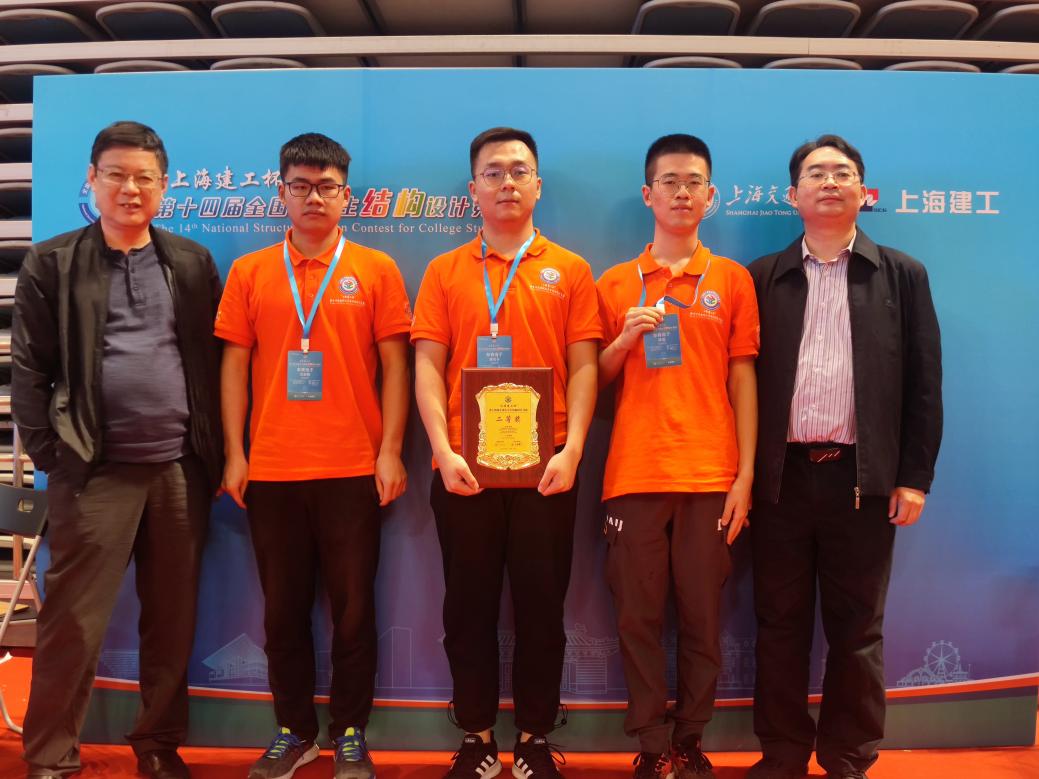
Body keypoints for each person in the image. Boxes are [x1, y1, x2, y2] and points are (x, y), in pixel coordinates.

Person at [12, 120, 224, 779]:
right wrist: (56, 456)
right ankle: (51, 755)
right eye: (116, 175)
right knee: (73, 620)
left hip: (179, 470)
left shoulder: (191, 262)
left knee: (171, 619)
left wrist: (211, 454)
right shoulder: (51, 262)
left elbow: (213, 364)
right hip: (93, 471)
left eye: (144, 178)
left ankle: (157, 743)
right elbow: (29, 373)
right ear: (92, 180)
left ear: (164, 187)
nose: (130, 189)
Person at [746, 134, 942, 779]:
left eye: (842, 172)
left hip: (863, 481)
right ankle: (781, 754)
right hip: (780, 481)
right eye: (815, 173)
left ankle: (849, 757)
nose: (829, 182)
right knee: (779, 624)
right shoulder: (762, 277)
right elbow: (735, 387)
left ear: (864, 191)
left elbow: (924, 383)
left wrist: (913, 478)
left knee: (858, 630)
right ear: (793, 194)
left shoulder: (902, 275)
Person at [216, 133, 411, 779]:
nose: (314, 197)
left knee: (354, 613)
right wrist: (235, 453)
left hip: (353, 468)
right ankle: (294, 731)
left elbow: (395, 365)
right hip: (271, 470)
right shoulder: (251, 272)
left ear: (346, 195)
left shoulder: (375, 269)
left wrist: (389, 450)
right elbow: (234, 366)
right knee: (282, 613)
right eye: (300, 185)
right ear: (282, 193)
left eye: (327, 186)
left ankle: (350, 731)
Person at [411, 127, 601, 779]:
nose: (507, 183)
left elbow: (584, 366)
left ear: (538, 185)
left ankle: (534, 737)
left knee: (541, 608)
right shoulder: (444, 271)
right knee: (466, 608)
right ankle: (477, 737)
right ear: (474, 189)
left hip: (547, 469)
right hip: (464, 469)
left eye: (519, 171)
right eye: (493, 172)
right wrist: (441, 449)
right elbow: (427, 365)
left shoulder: (569, 269)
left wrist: (573, 450)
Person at [596, 134, 759, 779]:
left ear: (710, 195)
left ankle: (689, 738)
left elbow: (743, 378)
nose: (682, 192)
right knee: (637, 618)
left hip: (711, 475)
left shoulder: (732, 280)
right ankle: (650, 743)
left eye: (694, 182)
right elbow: (590, 383)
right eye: (669, 181)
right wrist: (622, 341)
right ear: (648, 194)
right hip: (633, 474)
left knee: (702, 617)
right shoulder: (614, 283)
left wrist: (744, 476)